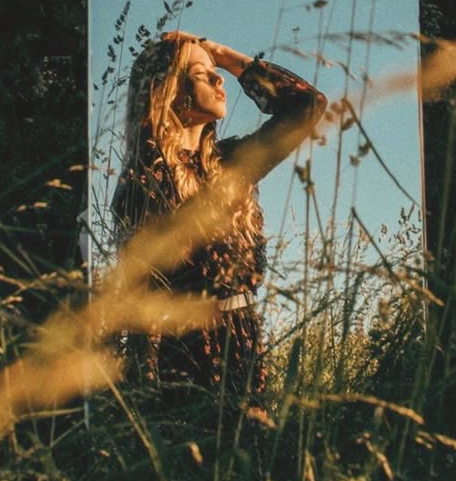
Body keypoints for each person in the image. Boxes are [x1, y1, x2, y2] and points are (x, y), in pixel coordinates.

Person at [111, 31, 327, 406]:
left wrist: (222, 54)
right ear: (167, 90)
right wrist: (146, 391)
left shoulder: (230, 166)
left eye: (217, 72)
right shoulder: (146, 182)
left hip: (242, 347)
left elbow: (308, 105)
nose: (218, 79)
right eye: (200, 73)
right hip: (181, 358)